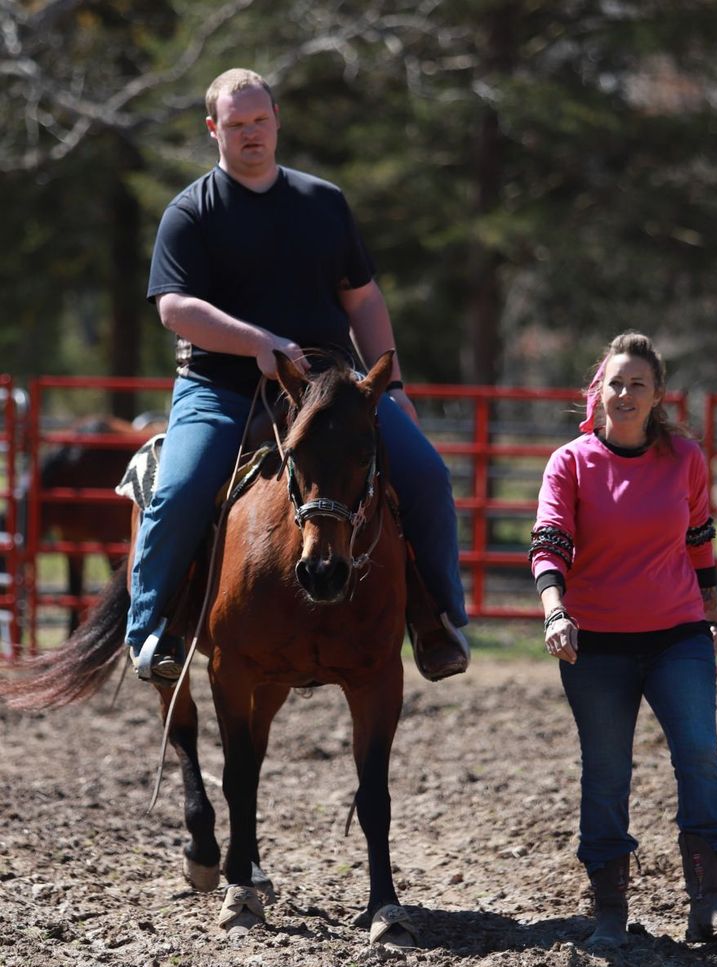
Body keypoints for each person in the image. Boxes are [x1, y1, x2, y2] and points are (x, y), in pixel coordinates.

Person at [127, 67, 468, 685]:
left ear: (277, 119)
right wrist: (256, 341)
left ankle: (438, 619)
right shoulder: (190, 213)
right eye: (236, 125)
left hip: (329, 388)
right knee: (179, 491)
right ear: (214, 130)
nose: (250, 133)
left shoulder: (323, 203)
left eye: (259, 121)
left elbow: (362, 299)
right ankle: (153, 629)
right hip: (220, 387)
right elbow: (174, 308)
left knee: (425, 474)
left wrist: (390, 388)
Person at [529, 331, 717, 947]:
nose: (623, 393)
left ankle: (707, 901)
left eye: (638, 384)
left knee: (700, 755)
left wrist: (709, 607)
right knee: (606, 771)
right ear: (597, 390)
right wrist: (555, 612)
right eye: (615, 382)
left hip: (676, 633)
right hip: (593, 641)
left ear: (657, 397)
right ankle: (609, 909)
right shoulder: (570, 463)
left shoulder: (684, 460)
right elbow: (549, 543)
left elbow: (699, 539)